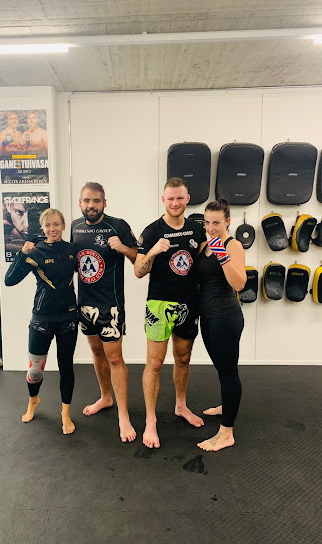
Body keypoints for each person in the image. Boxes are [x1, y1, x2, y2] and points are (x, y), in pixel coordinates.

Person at [134, 177, 207, 449]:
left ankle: (181, 405)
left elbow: (205, 265)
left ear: (187, 199)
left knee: (183, 358)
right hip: (159, 305)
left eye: (180, 198)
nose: (175, 203)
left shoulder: (197, 230)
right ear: (163, 200)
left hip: (188, 303)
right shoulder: (152, 231)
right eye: (170, 198)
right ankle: (150, 420)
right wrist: (153, 251)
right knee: (154, 363)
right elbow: (138, 271)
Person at [71, 182, 138, 443]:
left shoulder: (118, 226)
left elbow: (139, 258)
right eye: (87, 200)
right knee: (97, 352)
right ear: (80, 203)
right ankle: (105, 397)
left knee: (115, 358)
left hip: (110, 305)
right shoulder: (75, 227)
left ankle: (123, 415)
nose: (91, 205)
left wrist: (123, 248)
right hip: (85, 304)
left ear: (104, 203)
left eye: (96, 201)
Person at [4, 208, 78, 434]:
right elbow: (9, 280)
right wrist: (22, 253)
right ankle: (33, 400)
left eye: (56, 224)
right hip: (42, 319)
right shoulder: (35, 251)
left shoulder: (72, 249)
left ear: (63, 225)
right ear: (43, 228)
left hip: (68, 317)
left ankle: (65, 413)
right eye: (48, 225)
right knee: (35, 371)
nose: (52, 229)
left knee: (66, 367)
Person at [196, 198, 246, 451]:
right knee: (221, 367)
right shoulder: (204, 245)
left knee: (228, 372)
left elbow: (239, 284)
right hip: (207, 317)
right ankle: (228, 404)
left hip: (226, 317)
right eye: (207, 222)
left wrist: (224, 257)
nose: (211, 228)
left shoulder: (232, 245)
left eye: (216, 223)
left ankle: (226, 434)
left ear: (227, 222)